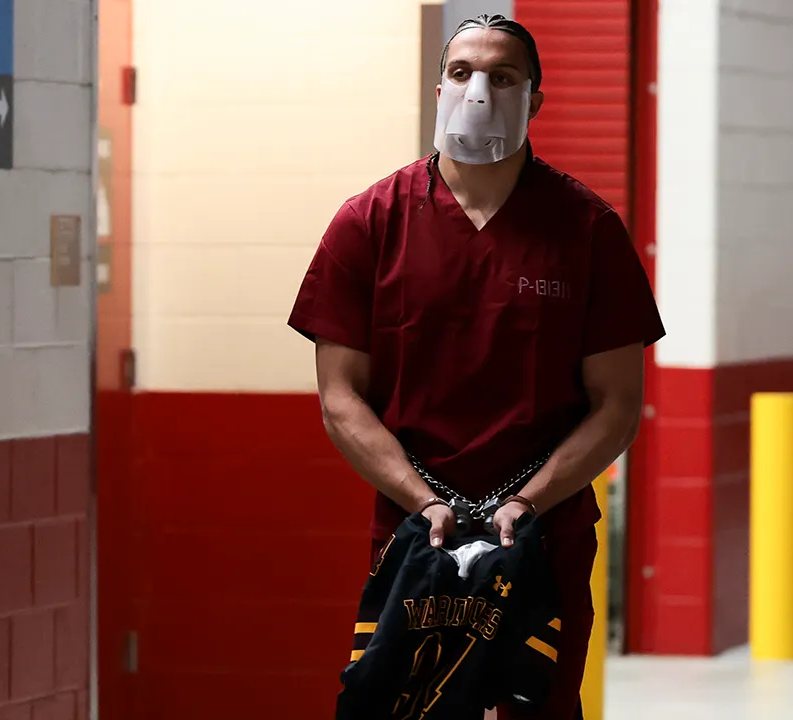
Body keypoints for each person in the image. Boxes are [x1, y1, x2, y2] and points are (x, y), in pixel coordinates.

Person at [287, 12, 665, 720]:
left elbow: (616, 404)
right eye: (461, 73)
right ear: (438, 89)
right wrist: (424, 501)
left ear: (536, 100)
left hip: (541, 539)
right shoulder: (369, 223)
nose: (479, 90)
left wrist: (524, 504)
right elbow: (340, 397)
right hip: (412, 542)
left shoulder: (587, 231)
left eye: (503, 75)